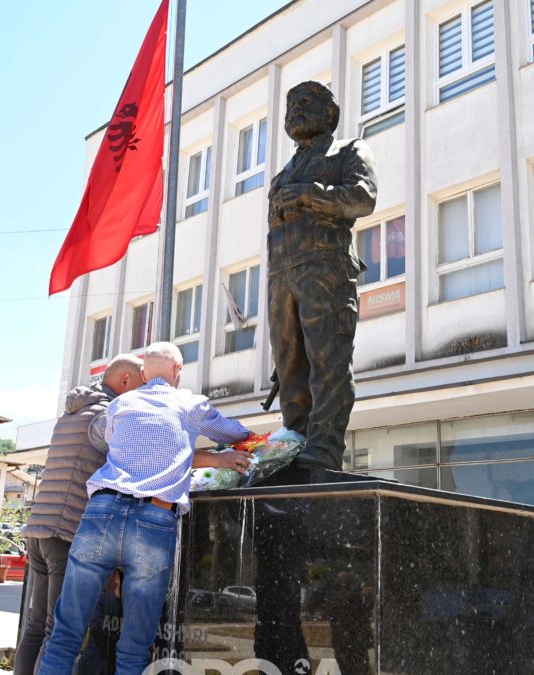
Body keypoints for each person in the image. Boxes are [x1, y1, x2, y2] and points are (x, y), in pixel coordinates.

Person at [38, 341, 252, 675]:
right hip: (154, 519)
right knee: (135, 647)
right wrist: (248, 445)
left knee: (65, 636)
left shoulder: (121, 403)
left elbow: (128, 446)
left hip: (101, 513)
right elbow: (236, 433)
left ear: (142, 373)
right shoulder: (190, 403)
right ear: (178, 372)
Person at [267, 81, 378, 471]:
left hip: (325, 270)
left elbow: (362, 198)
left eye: (306, 102)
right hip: (282, 275)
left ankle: (324, 448)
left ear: (329, 113)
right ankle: (294, 442)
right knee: (290, 368)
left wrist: (306, 194)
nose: (295, 109)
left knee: (327, 363)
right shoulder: (281, 175)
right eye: (290, 104)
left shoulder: (348, 151)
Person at [13, 353, 145, 675]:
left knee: (35, 625)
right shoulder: (106, 415)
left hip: (40, 529)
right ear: (125, 380)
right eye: (141, 385)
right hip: (66, 532)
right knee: (57, 632)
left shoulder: (73, 412)